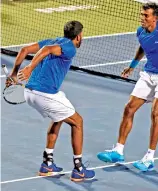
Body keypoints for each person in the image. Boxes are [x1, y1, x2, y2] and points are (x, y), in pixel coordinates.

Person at [97, 2, 158, 171]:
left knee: (155, 113)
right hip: (148, 74)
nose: (142, 18)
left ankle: (149, 158)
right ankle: (118, 150)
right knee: (129, 109)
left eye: (146, 16)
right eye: (141, 14)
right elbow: (143, 46)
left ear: (154, 18)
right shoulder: (140, 31)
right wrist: (132, 65)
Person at [6, 20, 95, 181]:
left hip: (30, 92)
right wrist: (30, 68)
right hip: (44, 94)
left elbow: (24, 50)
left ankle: (47, 163)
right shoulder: (69, 48)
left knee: (58, 117)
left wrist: (14, 74)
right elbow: (46, 50)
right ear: (79, 36)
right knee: (78, 122)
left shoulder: (53, 41)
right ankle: (79, 169)